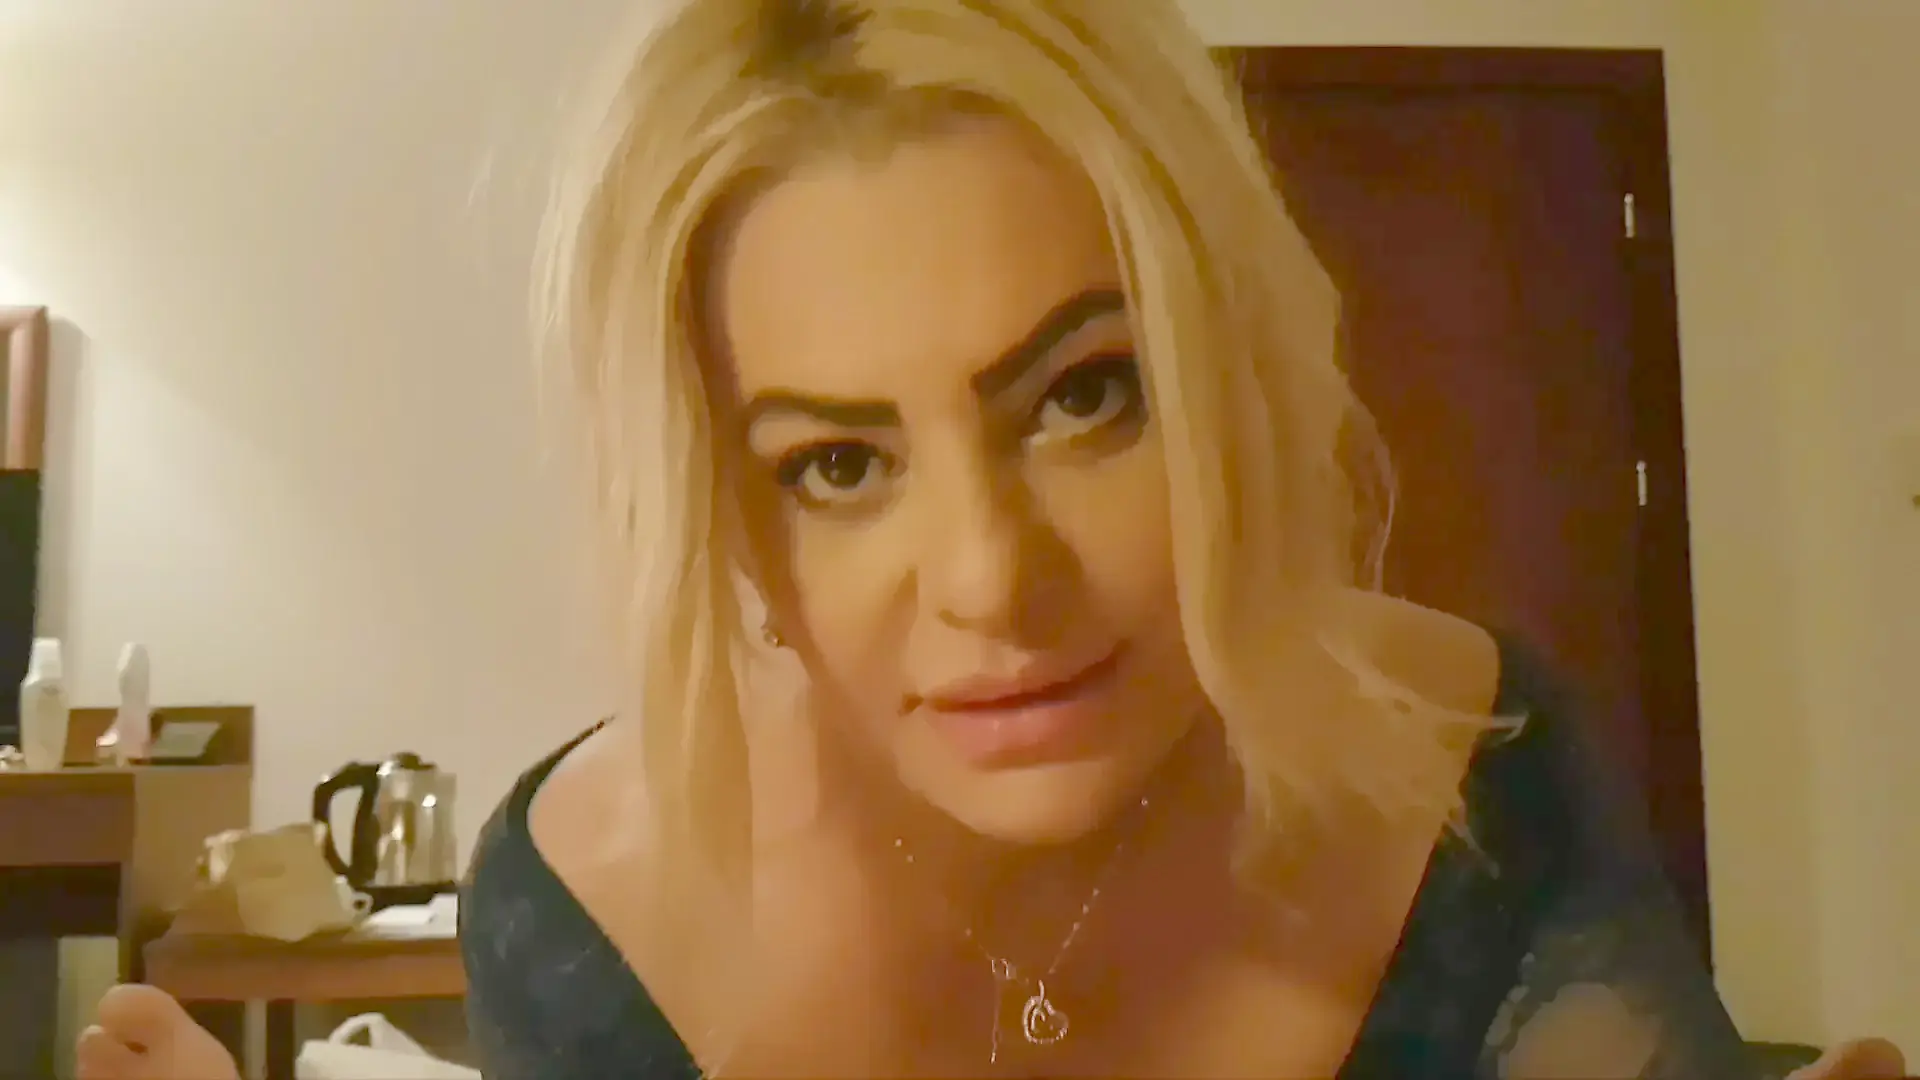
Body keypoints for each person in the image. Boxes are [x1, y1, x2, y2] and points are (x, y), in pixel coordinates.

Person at [76, 1, 1906, 1079]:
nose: (989, 580)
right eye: (834, 465)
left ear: (1229, 369)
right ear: (719, 511)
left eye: (1085, 395)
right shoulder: (587, 911)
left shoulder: (1472, 778)